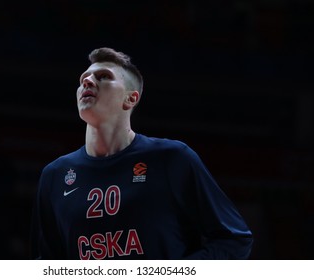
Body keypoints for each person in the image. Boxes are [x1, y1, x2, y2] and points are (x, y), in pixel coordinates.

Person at [30, 47, 253, 259]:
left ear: (131, 98)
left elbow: (234, 239)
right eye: (83, 79)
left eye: (103, 76)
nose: (87, 81)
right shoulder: (55, 175)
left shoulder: (172, 158)